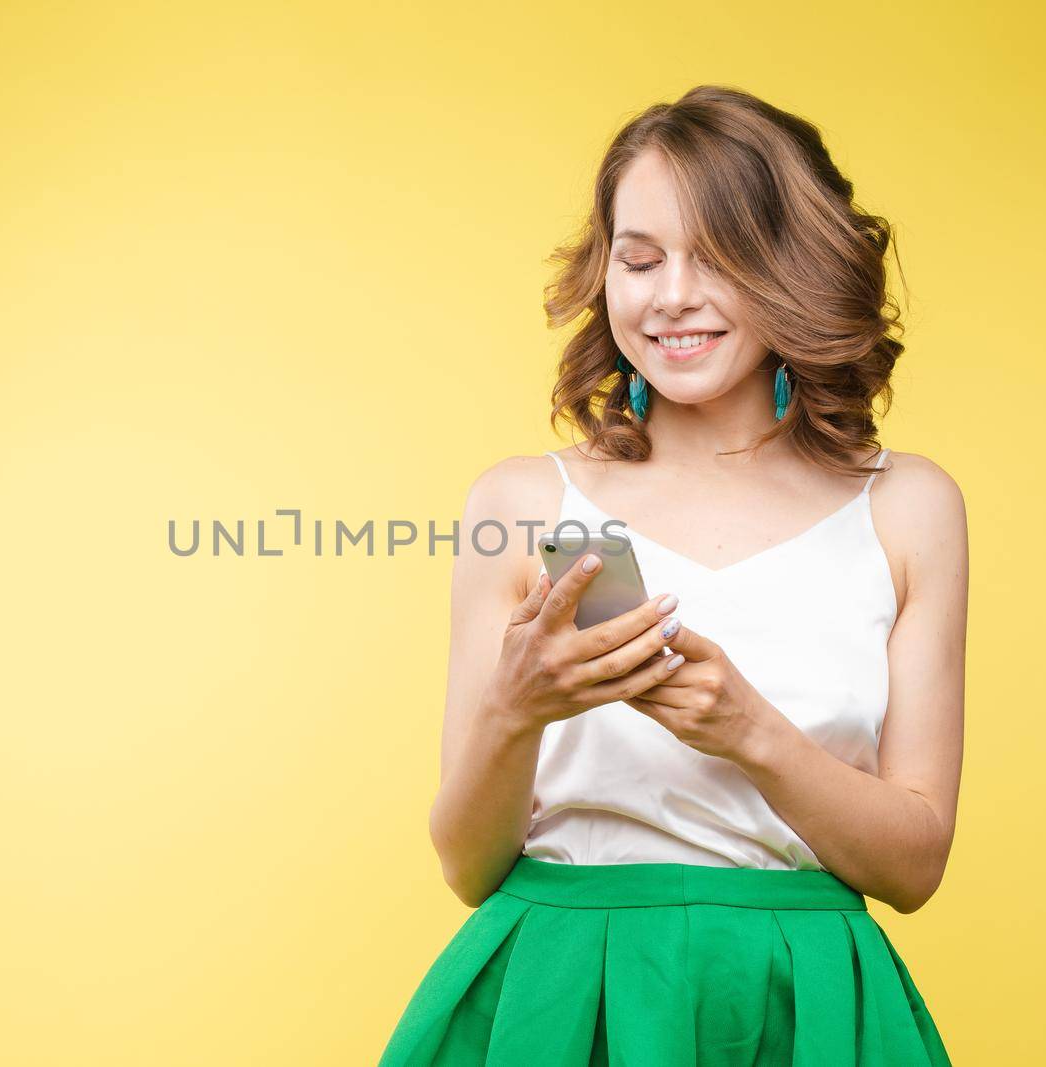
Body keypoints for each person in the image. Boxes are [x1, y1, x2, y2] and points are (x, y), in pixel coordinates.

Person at [377, 85, 966, 1066]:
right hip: (562, 997)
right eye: (639, 259)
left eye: (718, 259)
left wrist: (753, 734)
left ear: (796, 267)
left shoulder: (906, 506)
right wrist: (514, 710)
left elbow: (914, 865)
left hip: (804, 1002)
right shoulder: (533, 505)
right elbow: (466, 862)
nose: (670, 296)